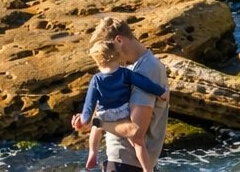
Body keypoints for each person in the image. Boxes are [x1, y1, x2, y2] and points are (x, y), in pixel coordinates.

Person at [71, 17, 170, 172]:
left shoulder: (147, 69)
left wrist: (99, 123)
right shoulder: (124, 69)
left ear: (119, 40)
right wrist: (87, 122)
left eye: (108, 52)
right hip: (122, 162)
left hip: (129, 164)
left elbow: (135, 131)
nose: (105, 61)